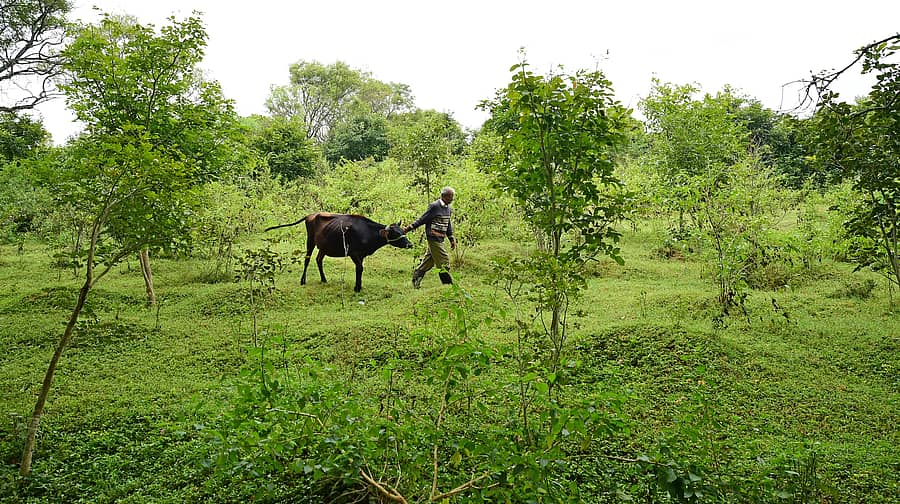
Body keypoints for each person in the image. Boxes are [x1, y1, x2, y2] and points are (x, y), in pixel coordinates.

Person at [404, 186, 457, 288]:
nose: (452, 198)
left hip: (441, 238)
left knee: (428, 262)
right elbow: (422, 219)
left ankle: (416, 277)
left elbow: (448, 224)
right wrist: (408, 228)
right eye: (451, 196)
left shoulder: (448, 208)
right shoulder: (434, 206)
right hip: (433, 237)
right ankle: (447, 285)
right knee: (444, 261)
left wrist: (451, 238)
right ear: (444, 196)